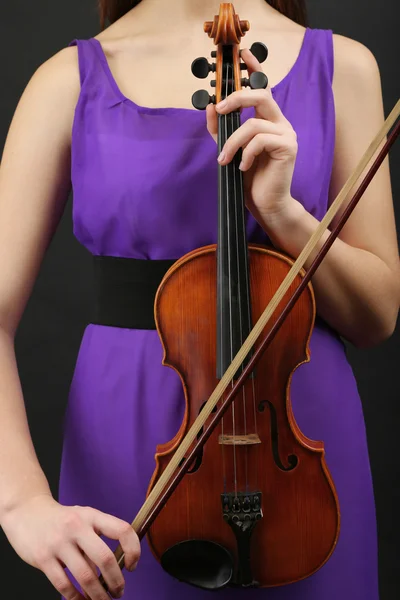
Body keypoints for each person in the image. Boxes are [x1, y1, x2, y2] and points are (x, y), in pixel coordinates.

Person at [0, 0, 399, 598]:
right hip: (130, 442)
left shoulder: (345, 67)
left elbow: (377, 317)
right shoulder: (66, 80)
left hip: (301, 457)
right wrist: (20, 500)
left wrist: (284, 214)